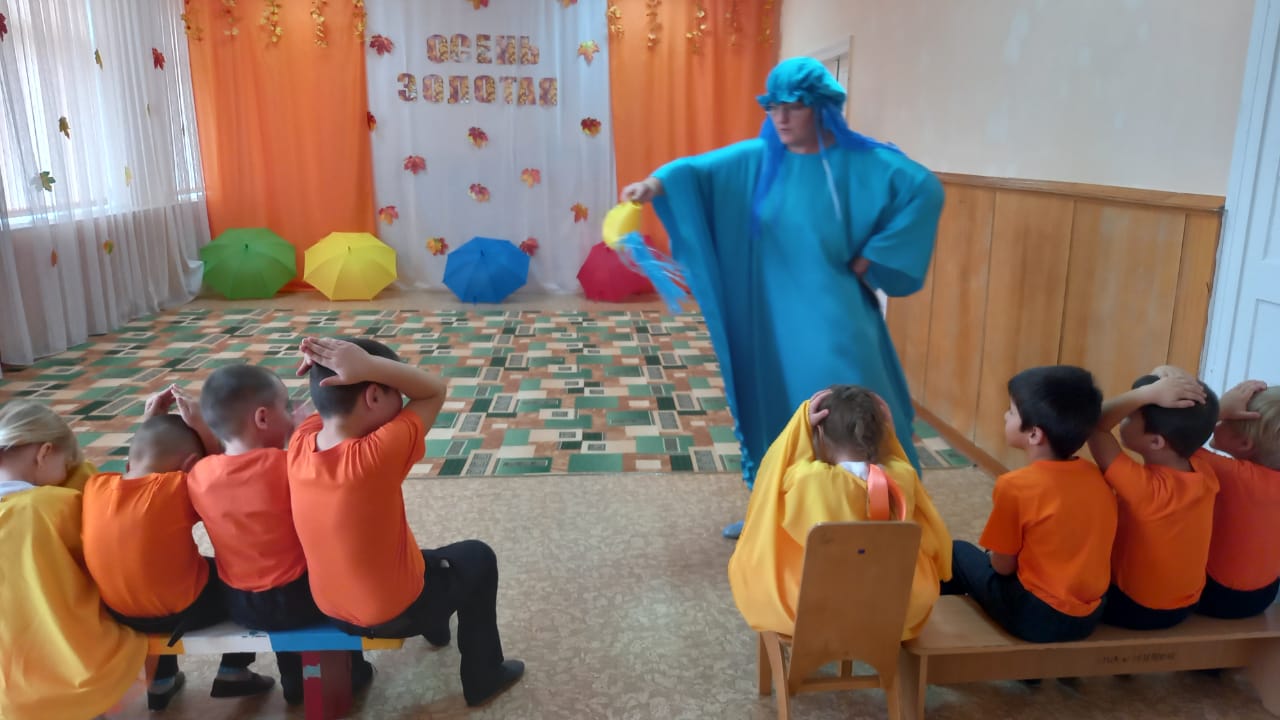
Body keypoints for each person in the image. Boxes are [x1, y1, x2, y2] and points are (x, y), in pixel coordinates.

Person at [620, 57, 944, 539]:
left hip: (835, 319)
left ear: (821, 108)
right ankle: (774, 515)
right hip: (770, 320)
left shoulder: (861, 163)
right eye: (773, 107)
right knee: (778, 415)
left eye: (793, 107)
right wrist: (652, 186)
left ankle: (881, 518)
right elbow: (694, 173)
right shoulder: (760, 159)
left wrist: (874, 256)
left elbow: (924, 189)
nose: (781, 118)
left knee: (847, 413)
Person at [288, 337, 524, 708]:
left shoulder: (300, 444)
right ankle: (484, 675)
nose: (402, 401)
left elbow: (329, 403)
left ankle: (426, 630)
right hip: (393, 613)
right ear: (373, 396)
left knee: (424, 556)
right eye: (394, 392)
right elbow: (433, 391)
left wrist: (323, 368)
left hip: (330, 608)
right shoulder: (376, 454)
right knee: (478, 557)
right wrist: (370, 367)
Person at [188, 364, 373, 705]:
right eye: (286, 408)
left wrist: (200, 429)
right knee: (327, 568)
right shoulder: (288, 465)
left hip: (241, 603)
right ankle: (353, 670)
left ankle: (292, 678)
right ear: (262, 418)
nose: (291, 415)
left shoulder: (199, 475)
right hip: (300, 598)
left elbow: (231, 471)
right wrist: (303, 432)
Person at [82, 387, 275, 710]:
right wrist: (203, 429)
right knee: (242, 576)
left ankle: (161, 679)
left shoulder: (95, 487)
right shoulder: (176, 487)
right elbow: (221, 479)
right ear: (190, 465)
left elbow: (138, 461)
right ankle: (234, 671)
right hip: (181, 611)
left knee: (158, 572)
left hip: (118, 612)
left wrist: (148, 423)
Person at [728, 385, 952, 639]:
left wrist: (799, 425)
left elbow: (771, 472)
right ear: (883, 433)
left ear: (819, 433)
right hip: (894, 610)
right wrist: (890, 434)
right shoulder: (902, 476)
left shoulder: (807, 480)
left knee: (752, 569)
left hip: (812, 609)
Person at [941, 366, 1117, 643]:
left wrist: (994, 556)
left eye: (1011, 411)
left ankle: (940, 632)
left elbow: (1002, 567)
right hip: (1088, 616)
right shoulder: (1096, 476)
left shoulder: (1015, 486)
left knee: (956, 552)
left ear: (1034, 434)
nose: (1005, 416)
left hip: (1036, 617)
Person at [0, 400, 149, 720]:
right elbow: (107, 503)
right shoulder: (51, 505)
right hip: (66, 678)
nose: (64, 475)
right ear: (44, 453)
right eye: (65, 465)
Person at [1086, 368, 1220, 631]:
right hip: (1187, 603)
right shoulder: (1205, 473)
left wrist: (1145, 394)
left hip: (1136, 608)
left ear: (1156, 442)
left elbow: (1094, 425)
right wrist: (1160, 379)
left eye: (1130, 415)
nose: (1122, 417)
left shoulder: (1145, 489)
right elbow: (1197, 421)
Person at [1173, 374, 1279, 619]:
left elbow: (1175, 439)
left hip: (1218, 595)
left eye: (1226, 420)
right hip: (1265, 594)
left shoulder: (1235, 475)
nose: (1218, 423)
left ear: (1244, 444)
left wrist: (1218, 408)